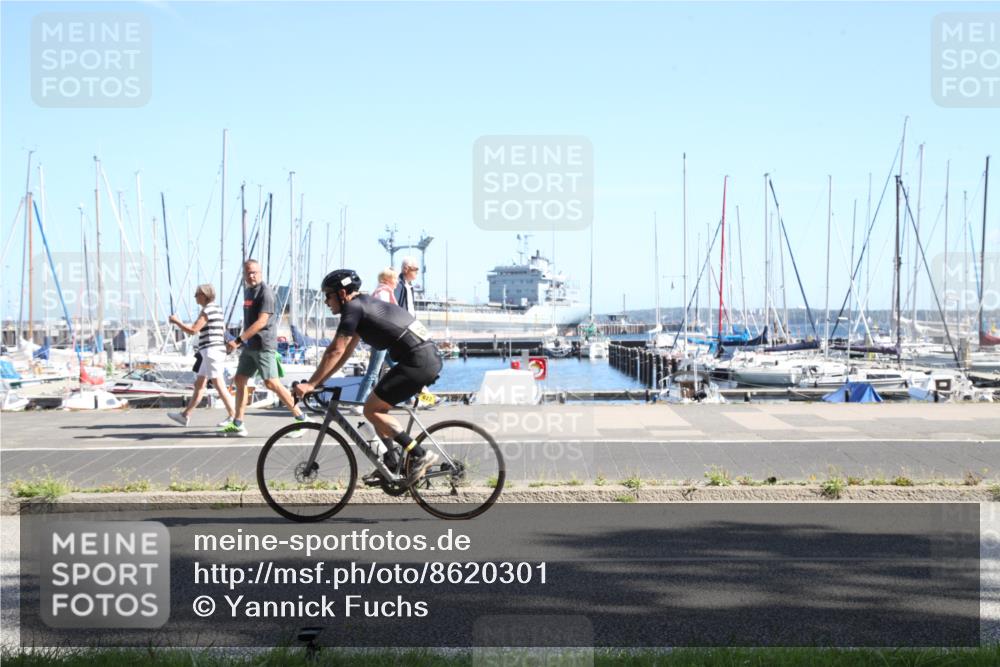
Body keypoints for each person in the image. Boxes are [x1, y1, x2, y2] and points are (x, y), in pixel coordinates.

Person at [293, 269, 441, 485]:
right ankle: (391, 463)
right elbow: (344, 354)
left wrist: (311, 384)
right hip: (422, 358)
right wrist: (319, 382)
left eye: (328, 295)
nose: (326, 301)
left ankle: (420, 455)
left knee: (370, 409)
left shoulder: (353, 308)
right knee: (377, 410)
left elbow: (335, 350)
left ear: (342, 293)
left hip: (418, 361)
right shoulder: (362, 306)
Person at [219, 259, 309, 437]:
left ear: (260, 273)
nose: (251, 276)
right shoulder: (248, 291)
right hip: (250, 345)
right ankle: (238, 423)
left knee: (272, 383)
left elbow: (261, 322)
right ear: (244, 275)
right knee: (240, 380)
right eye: (248, 273)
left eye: (254, 272)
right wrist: (243, 341)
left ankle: (302, 418)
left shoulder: (265, 293)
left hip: (264, 345)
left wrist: (238, 340)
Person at [166, 284, 236, 427]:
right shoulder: (217, 309)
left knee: (219, 385)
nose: (195, 297)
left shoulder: (208, 310)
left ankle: (234, 417)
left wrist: (176, 321)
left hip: (212, 351)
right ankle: (185, 415)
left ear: (204, 295)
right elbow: (222, 330)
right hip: (211, 351)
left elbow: (193, 330)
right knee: (199, 384)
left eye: (197, 294)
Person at [357, 268, 398, 403]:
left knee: (397, 368)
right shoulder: (384, 293)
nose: (396, 281)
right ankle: (358, 402)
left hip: (383, 337)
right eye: (394, 279)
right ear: (387, 280)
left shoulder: (381, 291)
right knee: (373, 372)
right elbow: (385, 314)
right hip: (382, 337)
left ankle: (411, 398)